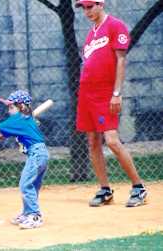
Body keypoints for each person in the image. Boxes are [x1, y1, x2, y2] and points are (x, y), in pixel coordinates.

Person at [75, 0, 147, 207]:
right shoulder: (91, 34)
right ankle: (105, 190)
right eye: (84, 8)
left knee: (112, 141)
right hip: (87, 92)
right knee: (93, 142)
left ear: (100, 4)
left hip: (105, 92)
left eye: (90, 6)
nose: (87, 11)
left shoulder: (115, 26)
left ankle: (138, 188)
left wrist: (116, 93)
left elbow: (121, 61)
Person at [0, 90, 49, 229]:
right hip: (40, 154)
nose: (9, 110)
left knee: (25, 184)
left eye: (11, 107)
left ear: (22, 107)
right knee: (32, 185)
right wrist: (4, 134)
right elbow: (14, 131)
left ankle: (34, 215)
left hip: (36, 154)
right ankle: (27, 213)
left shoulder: (19, 118)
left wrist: (0, 132)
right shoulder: (25, 119)